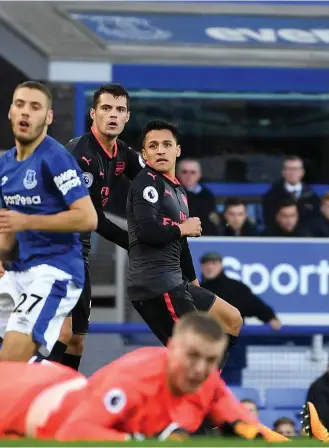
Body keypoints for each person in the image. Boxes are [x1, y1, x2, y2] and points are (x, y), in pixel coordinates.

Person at [0, 313, 288, 443]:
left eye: (211, 361)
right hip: (20, 400)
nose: (201, 369)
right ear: (172, 348)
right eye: (193, 356)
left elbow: (247, 429)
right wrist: (142, 440)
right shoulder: (135, 376)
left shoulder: (206, 382)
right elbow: (72, 433)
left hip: (56, 389)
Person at [126, 119, 242, 373]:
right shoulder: (146, 182)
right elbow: (145, 231)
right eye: (153, 146)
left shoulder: (178, 190)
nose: (160, 150)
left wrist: (194, 284)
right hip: (156, 285)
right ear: (144, 155)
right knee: (195, 353)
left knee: (232, 319)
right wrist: (183, 228)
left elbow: (181, 246)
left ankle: (207, 388)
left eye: (167, 144)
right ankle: (201, 399)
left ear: (177, 150)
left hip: (177, 283)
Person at [0, 81, 97, 362]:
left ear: (49, 117)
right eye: (20, 105)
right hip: (17, 272)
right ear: (10, 112)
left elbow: (87, 217)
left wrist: (28, 221)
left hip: (54, 272)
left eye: (35, 107)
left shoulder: (56, 159)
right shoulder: (6, 164)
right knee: (17, 365)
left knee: (11, 361)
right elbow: (8, 223)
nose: (25, 113)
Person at [53, 83, 143, 370]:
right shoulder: (81, 155)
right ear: (93, 113)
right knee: (62, 334)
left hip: (80, 253)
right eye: (106, 108)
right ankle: (37, 396)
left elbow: (148, 182)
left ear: (127, 116)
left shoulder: (121, 152)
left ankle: (65, 397)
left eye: (119, 110)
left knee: (77, 341)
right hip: (54, 250)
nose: (112, 115)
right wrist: (138, 242)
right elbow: (94, 220)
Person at [200, 251, 281, 385]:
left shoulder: (235, 288)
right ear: (202, 267)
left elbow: (255, 305)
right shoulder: (197, 289)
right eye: (206, 264)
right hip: (206, 353)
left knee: (232, 392)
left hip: (232, 354)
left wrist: (270, 317)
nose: (210, 267)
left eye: (214, 263)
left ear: (221, 265)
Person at [262, 155, 319, 228]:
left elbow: (315, 221)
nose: (292, 172)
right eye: (289, 169)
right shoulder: (271, 196)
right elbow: (269, 221)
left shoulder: (312, 196)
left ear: (302, 172)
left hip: (306, 237)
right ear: (283, 172)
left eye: (296, 169)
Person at [176, 159, 219, 235]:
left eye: (193, 172)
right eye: (184, 172)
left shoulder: (208, 196)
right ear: (177, 173)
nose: (189, 176)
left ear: (199, 175)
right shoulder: (170, 193)